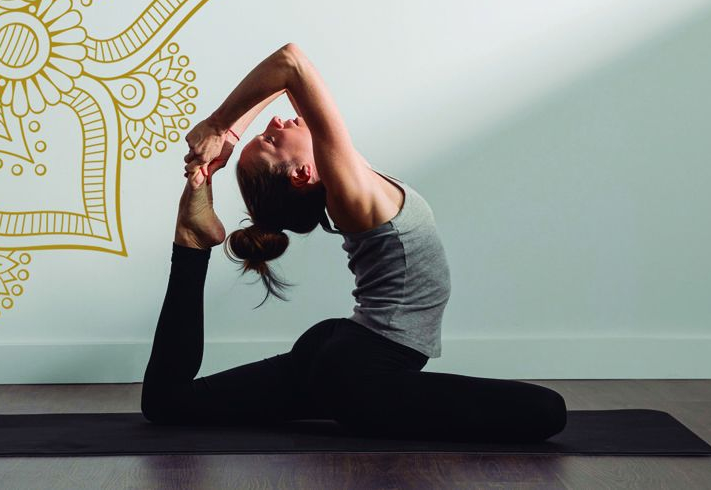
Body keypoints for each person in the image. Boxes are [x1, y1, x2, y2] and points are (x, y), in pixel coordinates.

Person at [140, 43, 567, 442]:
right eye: (271, 141)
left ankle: (192, 242)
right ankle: (192, 236)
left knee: (170, 403)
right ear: (303, 174)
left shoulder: (348, 178)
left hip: (344, 354)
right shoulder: (349, 190)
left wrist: (229, 136)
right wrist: (218, 126)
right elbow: (291, 64)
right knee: (548, 411)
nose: (275, 123)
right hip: (365, 375)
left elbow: (286, 81)